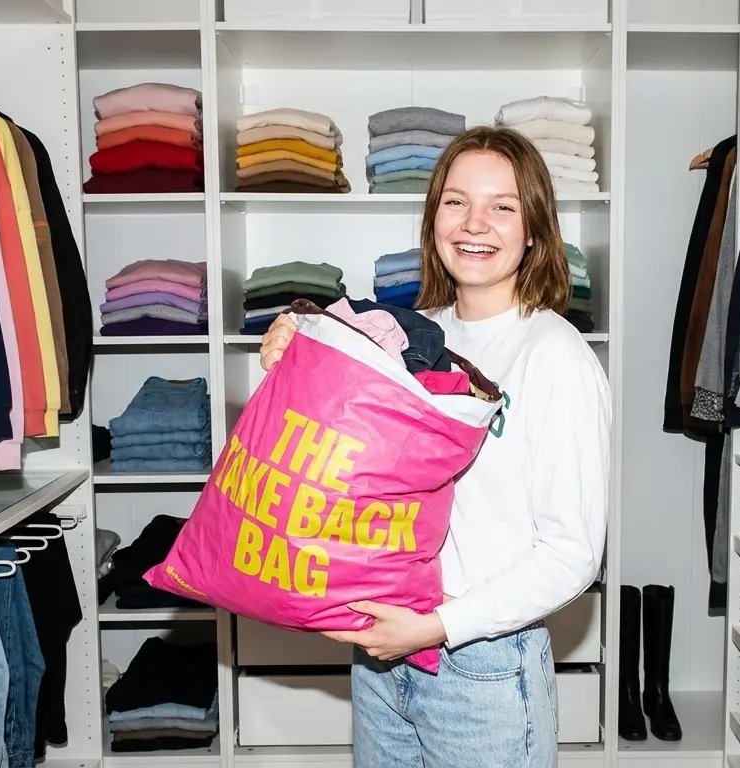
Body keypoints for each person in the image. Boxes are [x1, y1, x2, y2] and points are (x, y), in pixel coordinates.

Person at [259, 126, 611, 767]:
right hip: (384, 649)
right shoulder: (417, 336)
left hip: (482, 666)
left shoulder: (555, 356)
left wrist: (438, 628)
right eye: (456, 201)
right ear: (433, 217)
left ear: (533, 227)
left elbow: (572, 552)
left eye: (502, 205)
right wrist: (292, 356)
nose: (475, 223)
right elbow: (351, 462)